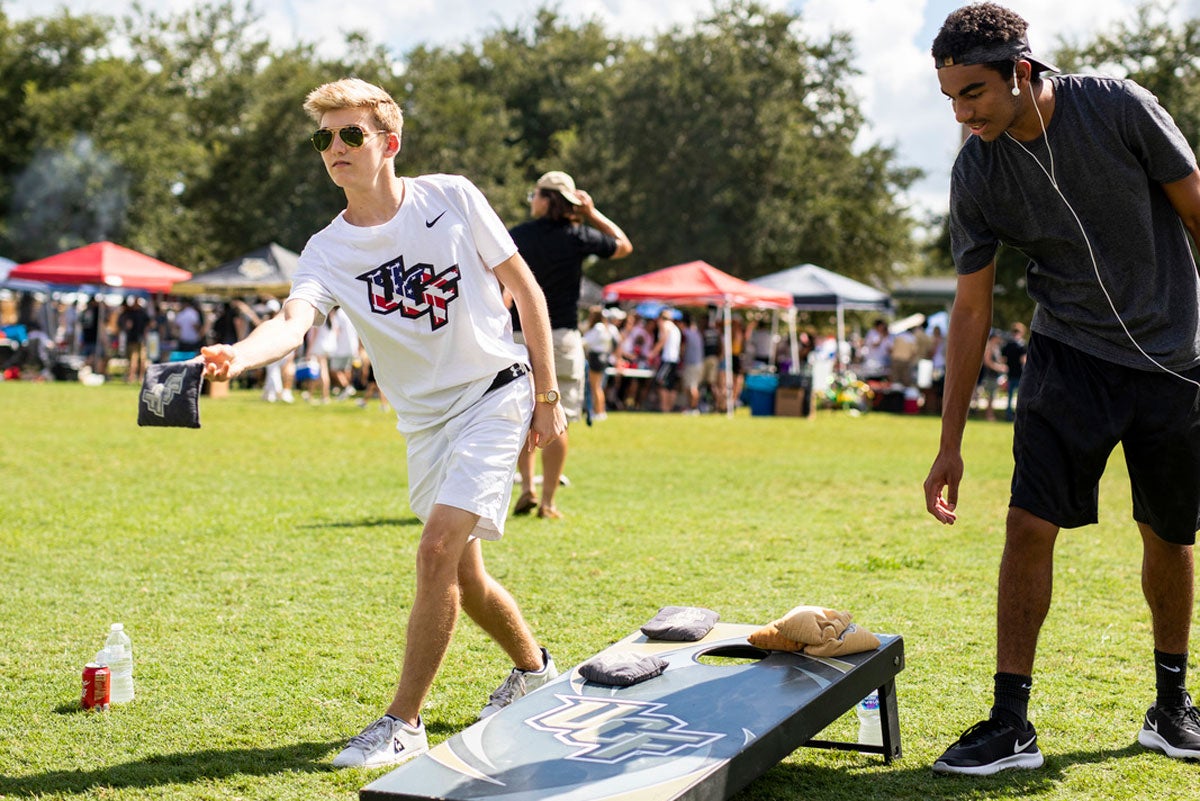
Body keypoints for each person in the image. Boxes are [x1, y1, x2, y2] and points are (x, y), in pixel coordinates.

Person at [200, 77, 566, 770]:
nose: (334, 148)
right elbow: (293, 322)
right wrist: (238, 356)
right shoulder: (327, 248)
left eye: (350, 134)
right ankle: (533, 666)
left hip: (494, 394)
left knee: (433, 551)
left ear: (388, 143)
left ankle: (403, 722)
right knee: (465, 573)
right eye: (322, 138)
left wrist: (548, 394)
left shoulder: (452, 197)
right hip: (425, 425)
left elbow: (527, 289)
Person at [924, 3, 1200, 775]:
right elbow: (972, 306)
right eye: (949, 96)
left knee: (1170, 535)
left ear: (1021, 70)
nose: (962, 112)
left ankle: (1172, 707)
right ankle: (1010, 721)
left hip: (1174, 359)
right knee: (1027, 525)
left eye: (973, 92)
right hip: (1067, 358)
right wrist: (948, 444)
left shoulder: (1119, 107)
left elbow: (1197, 209)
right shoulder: (975, 170)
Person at [508, 170, 632, 519]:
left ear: (547, 199)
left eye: (535, 194)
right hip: (560, 338)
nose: (532, 199)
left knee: (521, 417)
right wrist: (592, 213)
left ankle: (527, 488)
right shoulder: (578, 236)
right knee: (557, 417)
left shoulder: (518, 236)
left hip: (519, 337)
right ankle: (547, 502)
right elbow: (623, 245)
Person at [1001, 321, 1028, 421]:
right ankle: (1018, 415)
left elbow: (1003, 360)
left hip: (1010, 373)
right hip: (1020, 373)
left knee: (1010, 395)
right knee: (1020, 396)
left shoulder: (1007, 345)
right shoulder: (1022, 345)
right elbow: (1023, 360)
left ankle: (1008, 414)